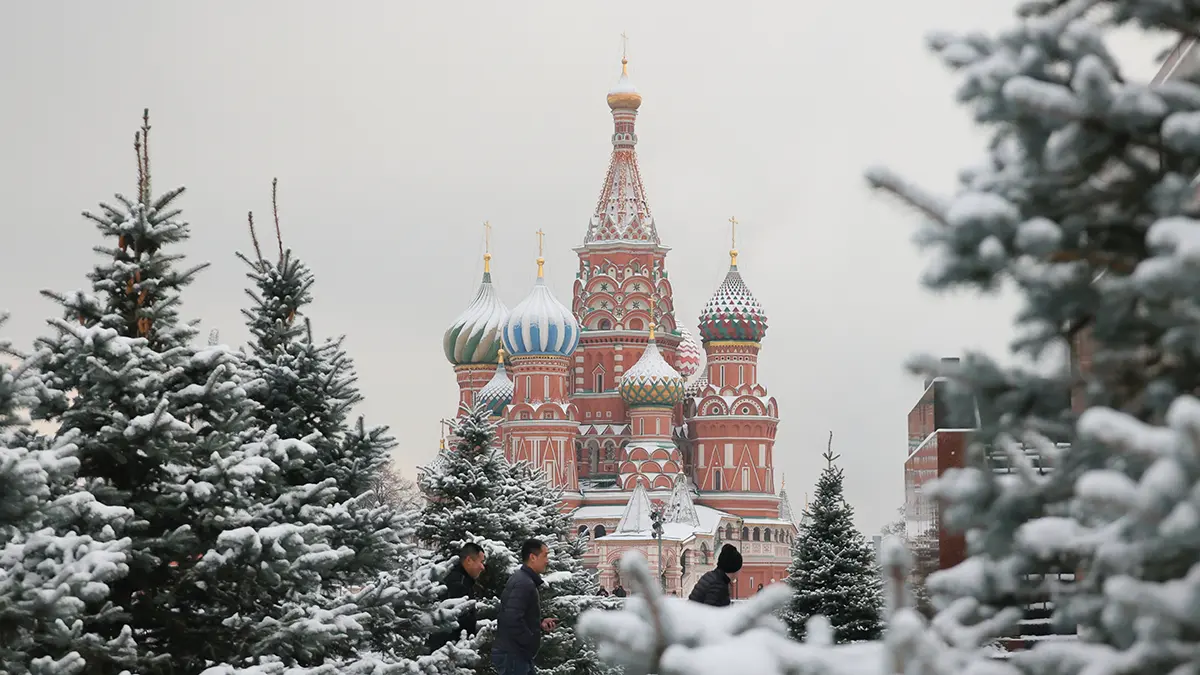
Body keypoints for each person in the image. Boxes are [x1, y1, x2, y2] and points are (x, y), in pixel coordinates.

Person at [493, 539, 557, 675]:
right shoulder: (524, 583)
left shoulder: (523, 579)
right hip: (514, 656)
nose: (547, 560)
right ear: (533, 557)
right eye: (545, 555)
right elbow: (511, 619)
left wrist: (539, 625)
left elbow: (516, 614)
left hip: (517, 655)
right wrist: (529, 639)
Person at [427, 542, 487, 651]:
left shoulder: (462, 579)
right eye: (481, 562)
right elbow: (457, 621)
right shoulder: (458, 583)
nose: (483, 567)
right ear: (469, 560)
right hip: (449, 650)